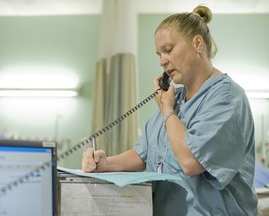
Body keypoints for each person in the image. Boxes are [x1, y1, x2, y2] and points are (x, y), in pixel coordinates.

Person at [82, 5, 258, 215]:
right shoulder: (175, 99)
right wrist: (105, 164)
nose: (162, 61)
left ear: (197, 43)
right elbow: (144, 154)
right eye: (159, 54)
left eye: (168, 49)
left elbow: (191, 161)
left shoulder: (227, 97)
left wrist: (167, 111)